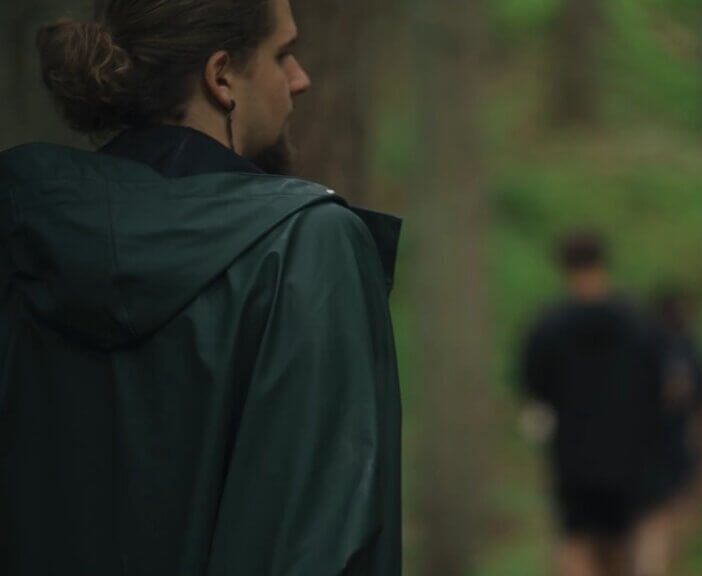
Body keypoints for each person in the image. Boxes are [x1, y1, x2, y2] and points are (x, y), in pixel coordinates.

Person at [0, 1, 402, 574]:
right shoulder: (304, 246)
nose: (300, 79)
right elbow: (324, 542)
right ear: (220, 78)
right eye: (282, 54)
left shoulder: (22, 231)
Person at [520, 232, 680, 576]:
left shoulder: (547, 329)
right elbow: (664, 389)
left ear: (563, 267)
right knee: (624, 546)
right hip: (631, 457)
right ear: (604, 262)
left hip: (573, 458)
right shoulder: (639, 323)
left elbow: (534, 390)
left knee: (576, 544)